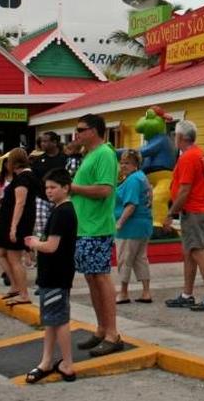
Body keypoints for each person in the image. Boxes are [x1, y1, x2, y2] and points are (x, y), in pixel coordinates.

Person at [70, 113, 125, 356]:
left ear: (94, 130)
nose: (77, 134)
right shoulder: (90, 155)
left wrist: (72, 188)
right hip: (85, 227)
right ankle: (101, 328)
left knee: (101, 278)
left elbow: (104, 190)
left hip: (97, 227)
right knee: (92, 278)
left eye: (81, 129)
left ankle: (112, 333)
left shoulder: (104, 154)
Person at [25, 169, 78, 383]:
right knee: (51, 319)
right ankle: (47, 361)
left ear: (65, 188)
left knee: (60, 320)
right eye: (47, 188)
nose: (49, 191)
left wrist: (34, 243)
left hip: (56, 273)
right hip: (54, 274)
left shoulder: (62, 212)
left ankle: (67, 363)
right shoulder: (61, 210)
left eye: (53, 187)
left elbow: (51, 246)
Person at [163, 120, 204, 311]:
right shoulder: (199, 154)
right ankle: (187, 294)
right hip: (198, 208)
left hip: (194, 210)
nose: (173, 138)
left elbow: (184, 190)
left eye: (175, 135)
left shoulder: (188, 158)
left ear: (180, 137)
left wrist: (171, 213)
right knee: (189, 252)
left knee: (197, 250)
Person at [0, 148, 40, 307]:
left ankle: (24, 293)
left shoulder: (24, 178)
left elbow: (20, 203)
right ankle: (15, 286)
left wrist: (13, 228)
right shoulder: (22, 177)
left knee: (14, 258)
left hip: (16, 222)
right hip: (9, 220)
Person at [115, 148, 153, 304]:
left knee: (125, 259)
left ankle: (123, 292)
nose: (123, 166)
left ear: (136, 164)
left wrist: (119, 223)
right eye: (122, 162)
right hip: (144, 225)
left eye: (127, 163)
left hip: (130, 227)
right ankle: (146, 292)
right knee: (140, 258)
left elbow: (131, 205)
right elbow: (149, 195)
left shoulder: (132, 180)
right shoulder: (141, 177)